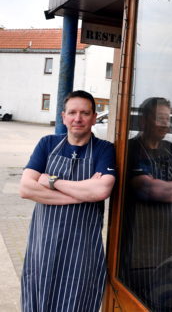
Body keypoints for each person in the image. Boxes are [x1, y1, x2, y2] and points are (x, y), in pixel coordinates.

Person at [19, 90, 116, 312]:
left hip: (82, 253)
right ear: (63, 117)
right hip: (42, 247)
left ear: (93, 117)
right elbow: (25, 188)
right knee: (37, 302)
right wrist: (82, 193)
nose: (78, 118)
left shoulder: (104, 149)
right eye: (72, 112)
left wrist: (50, 181)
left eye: (85, 113)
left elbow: (101, 190)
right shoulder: (47, 143)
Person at [119, 97, 172, 311]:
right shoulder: (131, 149)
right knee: (137, 298)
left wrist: (167, 188)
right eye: (160, 118)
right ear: (144, 121)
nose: (166, 124)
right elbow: (148, 189)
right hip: (137, 244)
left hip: (167, 240)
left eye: (167, 118)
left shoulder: (170, 149)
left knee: (166, 297)